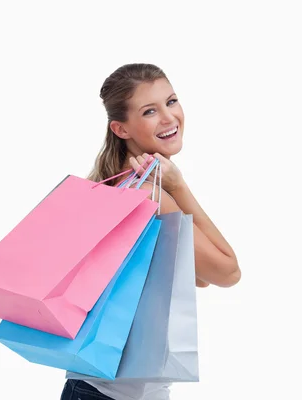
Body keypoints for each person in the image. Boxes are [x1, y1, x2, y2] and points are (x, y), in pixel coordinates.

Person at [60, 63, 241, 400]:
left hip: (96, 389)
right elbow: (228, 272)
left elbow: (197, 277)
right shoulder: (149, 194)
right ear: (121, 128)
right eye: (149, 111)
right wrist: (180, 188)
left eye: (171, 102)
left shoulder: (119, 187)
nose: (169, 118)